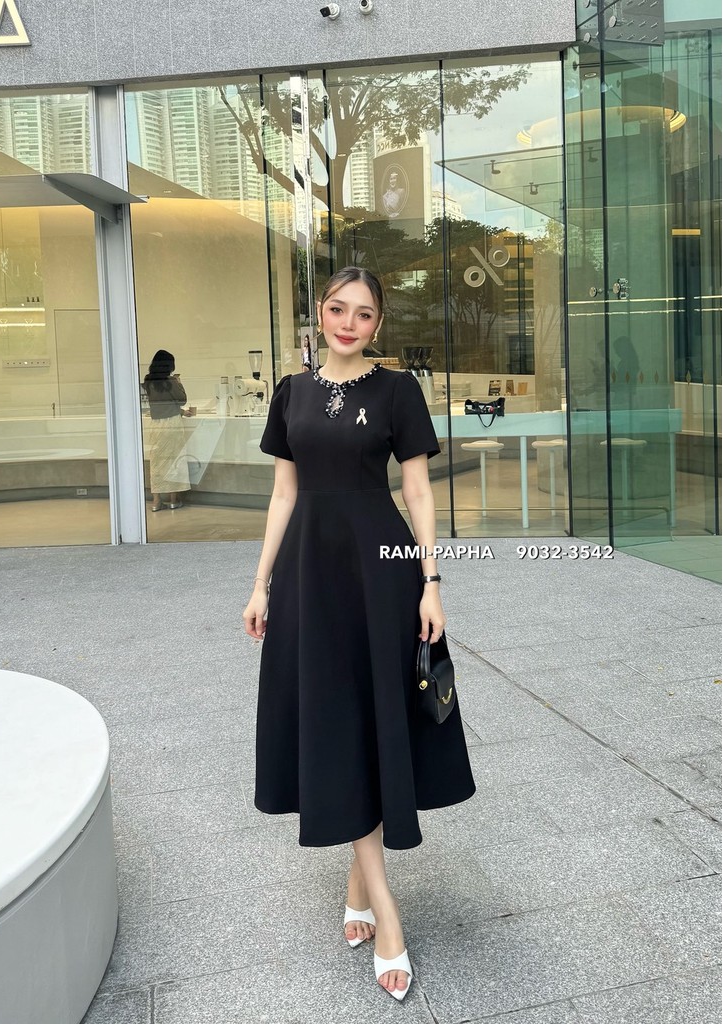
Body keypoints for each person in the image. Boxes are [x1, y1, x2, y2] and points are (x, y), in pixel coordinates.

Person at [242, 267, 476, 1002]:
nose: (349, 323)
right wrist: (260, 582)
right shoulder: (291, 392)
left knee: (370, 718)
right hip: (310, 577)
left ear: (378, 324)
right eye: (338, 309)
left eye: (364, 313)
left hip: (382, 572)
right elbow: (284, 494)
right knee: (337, 720)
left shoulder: (398, 391)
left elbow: (417, 489)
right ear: (320, 313)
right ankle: (378, 901)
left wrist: (431, 580)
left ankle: (377, 906)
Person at [143, 349, 193, 510]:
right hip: (172, 425)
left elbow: (161, 404)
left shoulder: (148, 380)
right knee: (174, 460)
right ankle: (173, 500)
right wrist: (178, 382)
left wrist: (181, 411)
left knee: (157, 463)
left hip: (156, 425)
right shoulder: (171, 381)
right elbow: (182, 400)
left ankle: (156, 501)